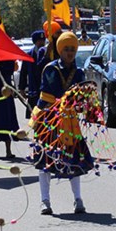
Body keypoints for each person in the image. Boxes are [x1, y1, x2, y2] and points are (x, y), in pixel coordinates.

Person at [30, 31, 94, 214]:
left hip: (69, 123)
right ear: (59, 50)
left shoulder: (79, 73)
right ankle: (45, 202)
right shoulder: (50, 69)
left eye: (73, 49)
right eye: (66, 49)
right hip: (48, 121)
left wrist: (85, 104)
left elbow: (81, 100)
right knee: (45, 162)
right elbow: (48, 92)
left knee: (74, 162)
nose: (69, 53)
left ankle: (78, 200)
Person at [17, 30, 46, 119]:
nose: (42, 42)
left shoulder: (48, 53)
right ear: (35, 41)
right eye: (39, 40)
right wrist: (21, 89)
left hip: (45, 91)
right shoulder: (29, 55)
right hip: (33, 90)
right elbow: (23, 73)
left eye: (43, 40)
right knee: (35, 118)